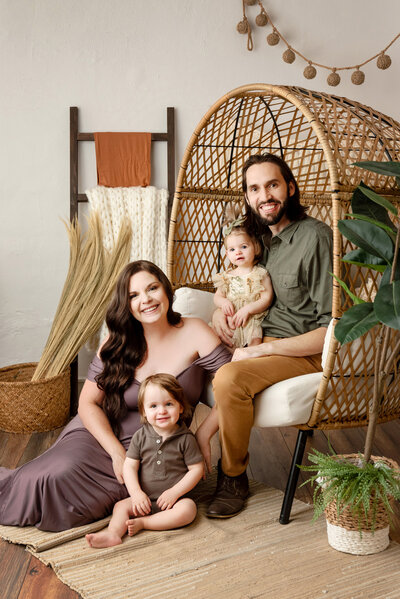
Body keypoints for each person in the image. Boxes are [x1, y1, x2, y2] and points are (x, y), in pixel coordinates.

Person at [0, 260, 231, 532]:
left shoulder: (195, 331)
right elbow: (87, 403)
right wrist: (116, 453)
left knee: (79, 505)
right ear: (126, 304)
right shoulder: (116, 342)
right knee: (52, 478)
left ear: (166, 290)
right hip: (101, 437)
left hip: (157, 449)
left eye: (152, 288)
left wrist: (203, 434)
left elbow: (233, 387)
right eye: (134, 295)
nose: (146, 300)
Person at [196, 153, 333, 519]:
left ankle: (233, 475)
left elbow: (330, 330)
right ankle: (167, 461)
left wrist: (262, 351)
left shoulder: (316, 237)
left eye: (272, 185)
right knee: (185, 353)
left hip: (298, 352)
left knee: (228, 378)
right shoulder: (253, 240)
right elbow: (235, 289)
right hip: (252, 340)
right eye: (254, 188)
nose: (264, 195)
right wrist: (216, 312)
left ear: (289, 188)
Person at [86, 373, 204, 548]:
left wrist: (175, 493)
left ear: (180, 407)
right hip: (145, 499)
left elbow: (197, 469)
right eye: (153, 406)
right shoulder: (141, 436)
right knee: (120, 507)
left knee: (189, 510)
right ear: (144, 412)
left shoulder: (186, 439)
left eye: (169, 404)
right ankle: (113, 534)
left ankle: (146, 523)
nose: (161, 411)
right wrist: (136, 493)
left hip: (174, 502)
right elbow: (130, 466)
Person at [213, 206, 274, 348]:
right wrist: (223, 303)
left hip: (251, 318)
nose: (238, 252)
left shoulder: (259, 274)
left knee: (254, 337)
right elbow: (218, 296)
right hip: (231, 317)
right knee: (222, 339)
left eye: (244, 247)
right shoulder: (226, 276)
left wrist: (249, 309)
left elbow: (266, 298)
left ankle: (247, 361)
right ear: (227, 254)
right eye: (232, 249)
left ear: (256, 248)